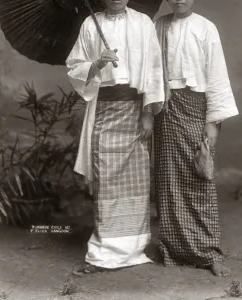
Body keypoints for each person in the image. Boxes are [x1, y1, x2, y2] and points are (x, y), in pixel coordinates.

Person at [66, 0, 164, 275]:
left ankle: (134, 249)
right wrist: (97, 63)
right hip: (104, 110)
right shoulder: (89, 24)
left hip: (135, 110)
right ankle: (103, 252)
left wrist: (148, 112)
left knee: (136, 181)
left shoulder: (143, 22)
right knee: (106, 181)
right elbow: (75, 67)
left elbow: (155, 67)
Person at [154, 0, 239, 276]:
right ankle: (173, 249)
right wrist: (157, 94)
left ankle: (209, 253)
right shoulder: (158, 25)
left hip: (196, 108)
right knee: (169, 180)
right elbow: (151, 69)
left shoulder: (206, 28)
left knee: (199, 179)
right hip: (166, 109)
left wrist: (212, 123)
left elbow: (216, 77)